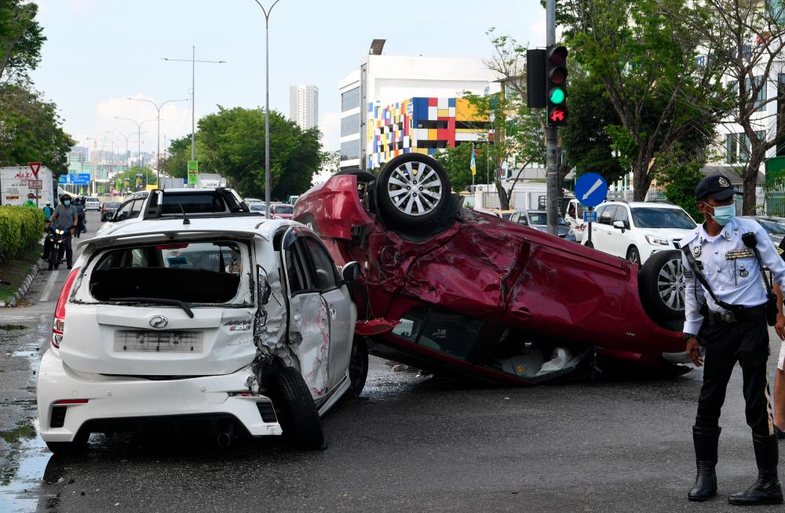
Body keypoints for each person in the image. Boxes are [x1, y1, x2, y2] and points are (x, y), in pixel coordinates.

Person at [681, 175, 785, 505]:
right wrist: (691, 332)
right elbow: (692, 290)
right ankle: (705, 475)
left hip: (752, 326)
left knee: (757, 401)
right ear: (703, 207)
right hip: (718, 330)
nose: (728, 205)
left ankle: (769, 483)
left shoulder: (750, 232)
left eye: (729, 199)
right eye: (721, 201)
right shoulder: (692, 246)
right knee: (709, 399)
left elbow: (781, 271)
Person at [46, 194, 78, 268]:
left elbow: (75, 218)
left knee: (68, 247)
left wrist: (74, 227)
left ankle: (69, 263)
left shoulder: (73, 208)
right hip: (58, 229)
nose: (67, 201)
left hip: (67, 230)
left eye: (68, 200)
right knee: (48, 240)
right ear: (62, 201)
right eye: (65, 200)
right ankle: (47, 256)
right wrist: (48, 223)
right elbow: (53, 215)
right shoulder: (58, 207)